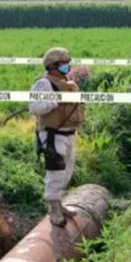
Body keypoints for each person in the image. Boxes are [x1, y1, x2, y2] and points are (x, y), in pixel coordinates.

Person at [30, 47, 84, 227]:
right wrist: (55, 101)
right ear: (53, 66)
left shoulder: (65, 81)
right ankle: (53, 208)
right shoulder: (43, 84)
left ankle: (59, 204)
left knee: (67, 170)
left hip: (68, 133)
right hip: (53, 134)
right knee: (56, 170)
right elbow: (35, 107)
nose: (67, 66)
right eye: (63, 63)